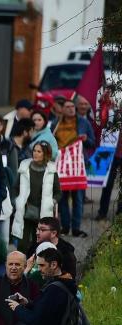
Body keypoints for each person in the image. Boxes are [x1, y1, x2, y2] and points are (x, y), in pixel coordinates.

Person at [53, 99, 95, 238]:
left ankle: (76, 228)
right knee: (62, 198)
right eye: (67, 106)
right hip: (61, 165)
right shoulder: (56, 123)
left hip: (78, 165)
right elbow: (51, 142)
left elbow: (92, 143)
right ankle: (65, 227)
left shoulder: (83, 123)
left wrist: (85, 140)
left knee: (78, 198)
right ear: (62, 109)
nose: (71, 109)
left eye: (72, 106)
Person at [12, 141, 61, 253]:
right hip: (25, 212)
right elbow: (15, 187)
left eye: (39, 151)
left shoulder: (51, 170)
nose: (35, 153)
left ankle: (35, 263)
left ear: (45, 154)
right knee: (22, 245)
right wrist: (16, 201)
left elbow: (58, 192)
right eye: (34, 150)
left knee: (39, 245)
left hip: (43, 214)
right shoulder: (24, 167)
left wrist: (51, 202)